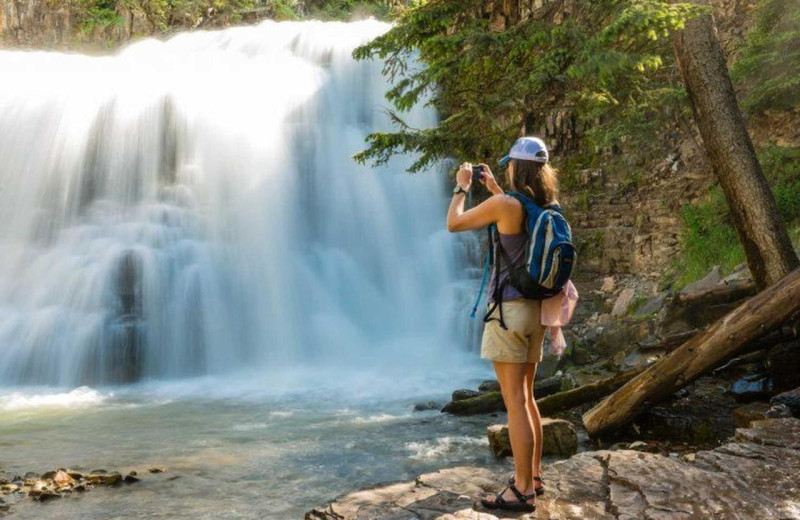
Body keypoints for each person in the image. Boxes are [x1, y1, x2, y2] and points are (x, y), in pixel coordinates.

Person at [446, 136, 559, 513]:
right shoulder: (546, 205)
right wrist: (494, 188)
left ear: (515, 166)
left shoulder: (504, 206)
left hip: (509, 311)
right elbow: (518, 222)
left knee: (514, 403)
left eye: (509, 164)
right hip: (536, 312)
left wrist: (462, 187)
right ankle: (535, 477)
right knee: (527, 398)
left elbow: (454, 223)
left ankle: (522, 489)